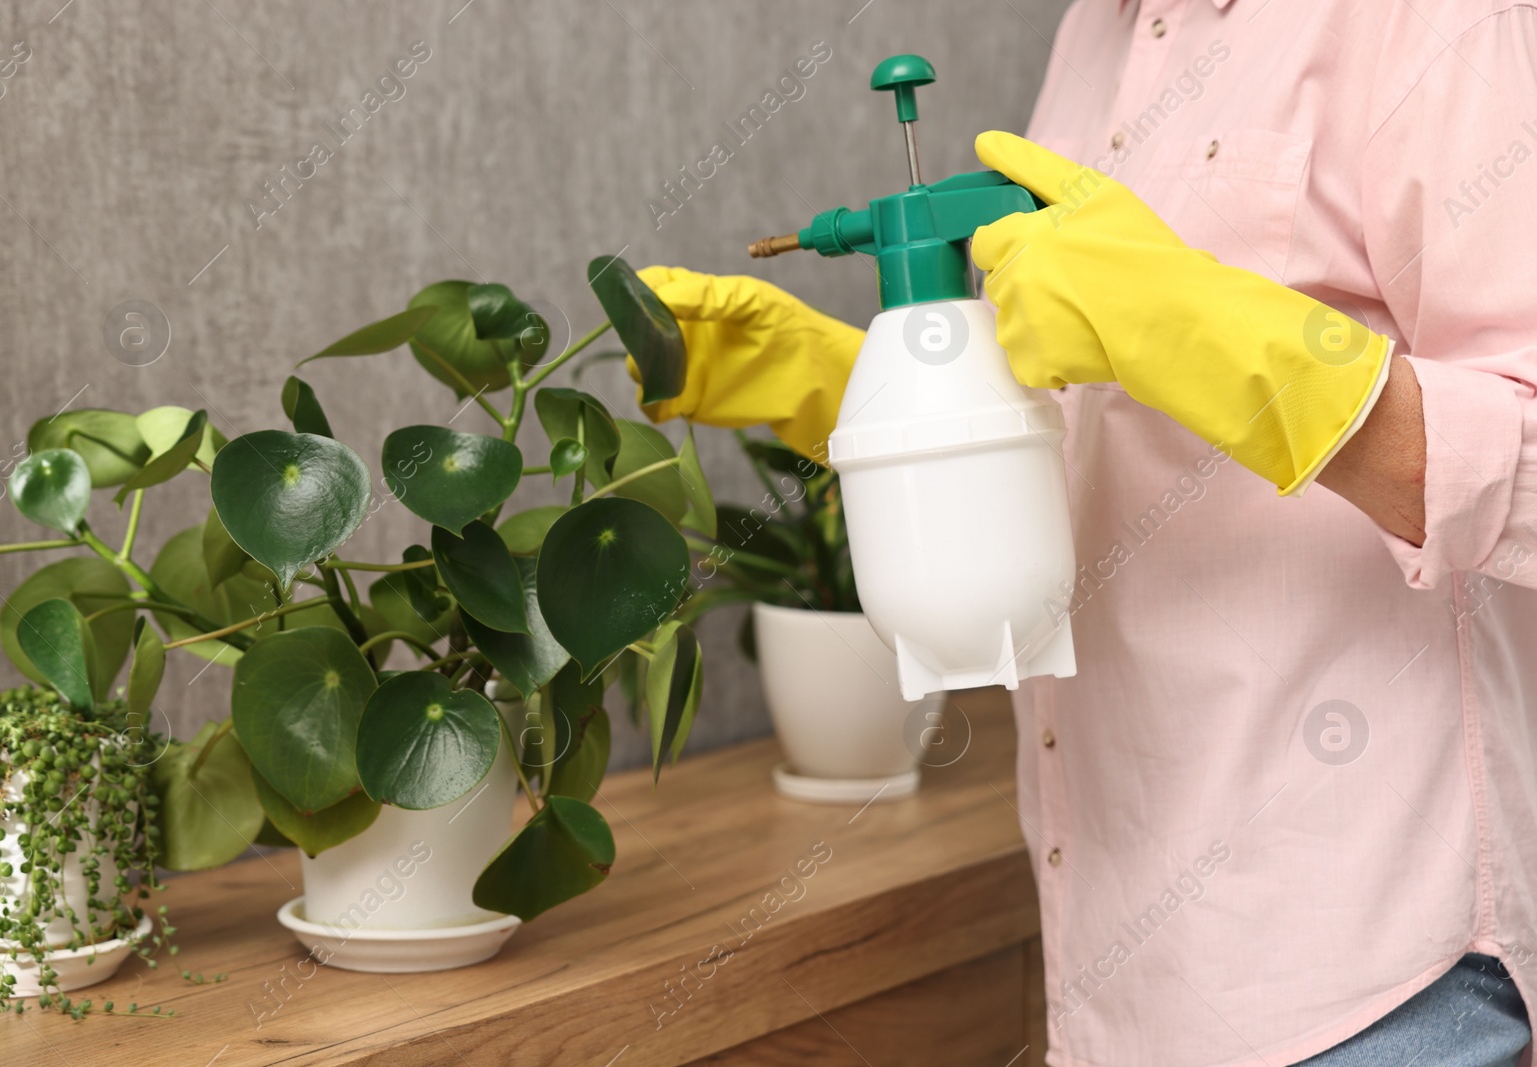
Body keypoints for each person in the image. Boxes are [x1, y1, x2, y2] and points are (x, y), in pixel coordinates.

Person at [629, 2, 1537, 1065]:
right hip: (1119, 978)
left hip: (1363, 983)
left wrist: (1233, 344)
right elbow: (1115, 435)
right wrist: (854, 395)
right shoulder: (1093, 36)